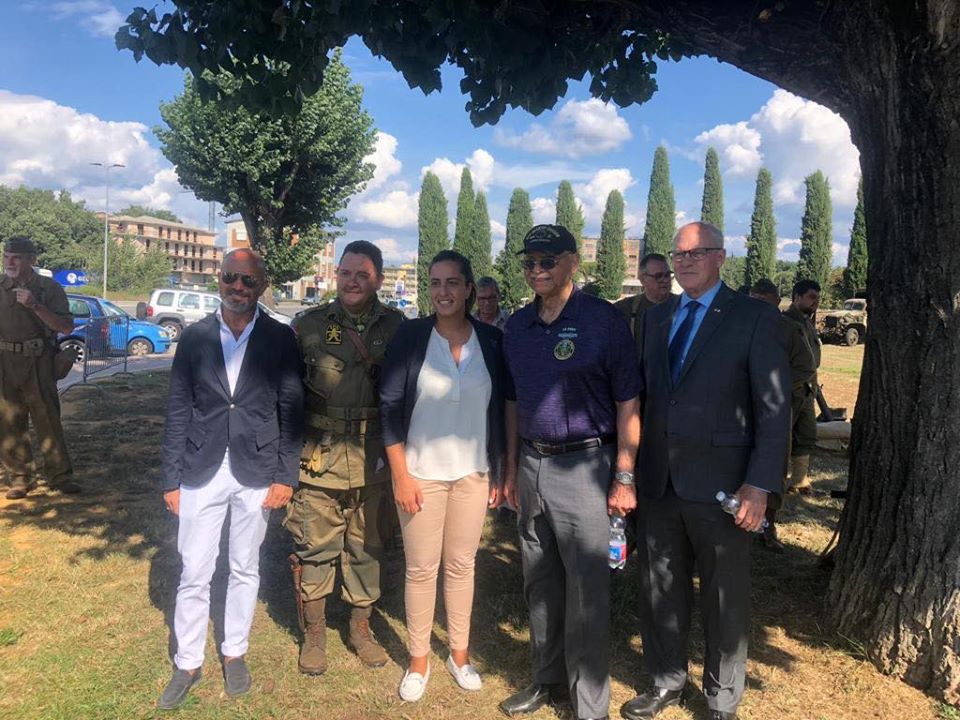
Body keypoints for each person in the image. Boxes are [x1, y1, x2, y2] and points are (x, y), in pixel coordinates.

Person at [621, 222, 789, 720]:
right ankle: (667, 680)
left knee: (723, 596)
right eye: (679, 254)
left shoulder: (755, 318)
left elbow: (774, 410)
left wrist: (759, 485)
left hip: (723, 485)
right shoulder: (656, 318)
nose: (686, 261)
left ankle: (721, 699)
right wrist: (627, 471)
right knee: (660, 588)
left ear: (720, 257)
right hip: (659, 482)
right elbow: (647, 399)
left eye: (697, 252)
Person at [500, 224, 640, 720]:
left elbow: (628, 401)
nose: (537, 270)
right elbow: (514, 401)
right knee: (539, 585)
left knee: (587, 594)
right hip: (532, 465)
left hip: (586, 466)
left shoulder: (603, 321)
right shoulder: (517, 326)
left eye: (547, 261)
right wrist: (513, 468)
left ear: (572, 263)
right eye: (530, 262)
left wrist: (624, 476)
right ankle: (547, 680)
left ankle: (589, 706)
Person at [158, 249, 304, 710]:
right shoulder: (196, 337)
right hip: (201, 467)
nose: (238, 288)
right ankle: (187, 661)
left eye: (248, 281)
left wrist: (286, 474)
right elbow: (178, 409)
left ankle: (234, 651)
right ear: (219, 281)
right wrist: (170, 479)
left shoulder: (281, 338)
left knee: (245, 565)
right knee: (194, 570)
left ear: (262, 287)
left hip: (256, 469)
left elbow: (291, 408)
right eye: (230, 279)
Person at [380, 250, 510, 702]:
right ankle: (418, 659)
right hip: (420, 475)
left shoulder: (491, 341)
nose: (443, 292)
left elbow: (502, 408)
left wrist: (500, 466)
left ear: (469, 288)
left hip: (473, 474)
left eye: (452, 282)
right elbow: (390, 408)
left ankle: (459, 653)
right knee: (421, 569)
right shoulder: (411, 337)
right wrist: (401, 474)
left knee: (461, 566)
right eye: (435, 283)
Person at [284, 240, 404, 675]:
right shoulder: (309, 325)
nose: (353, 282)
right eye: (347, 273)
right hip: (319, 459)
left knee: (367, 547)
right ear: (337, 274)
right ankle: (313, 634)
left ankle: (360, 629)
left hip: (373, 459)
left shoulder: (396, 327)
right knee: (314, 548)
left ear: (379, 279)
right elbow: (287, 393)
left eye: (364, 275)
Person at [0, 236, 78, 499]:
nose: (9, 262)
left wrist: (34, 304)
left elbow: (66, 327)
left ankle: (60, 476)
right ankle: (20, 478)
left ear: (31, 260)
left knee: (48, 420)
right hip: (4, 362)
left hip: (39, 360)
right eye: (6, 256)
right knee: (9, 421)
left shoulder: (48, 288)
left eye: (16, 257)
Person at [749, 278, 817, 552]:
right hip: (738, 410)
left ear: (776, 302)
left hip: (775, 407)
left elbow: (804, 366)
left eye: (764, 303)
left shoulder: (784, 328)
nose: (758, 309)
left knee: (774, 463)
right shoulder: (739, 327)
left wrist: (773, 390)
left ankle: (767, 526)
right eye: (754, 302)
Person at [783, 279, 821, 494]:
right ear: (796, 297)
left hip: (807, 391)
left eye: (817, 298)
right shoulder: (785, 323)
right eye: (811, 297)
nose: (816, 302)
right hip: (790, 391)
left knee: (806, 435)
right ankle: (777, 483)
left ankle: (799, 481)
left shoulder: (807, 323)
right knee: (783, 439)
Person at [613, 253, 676, 356]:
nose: (665, 280)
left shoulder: (683, 306)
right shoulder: (624, 308)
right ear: (642, 280)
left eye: (668, 274)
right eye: (658, 276)